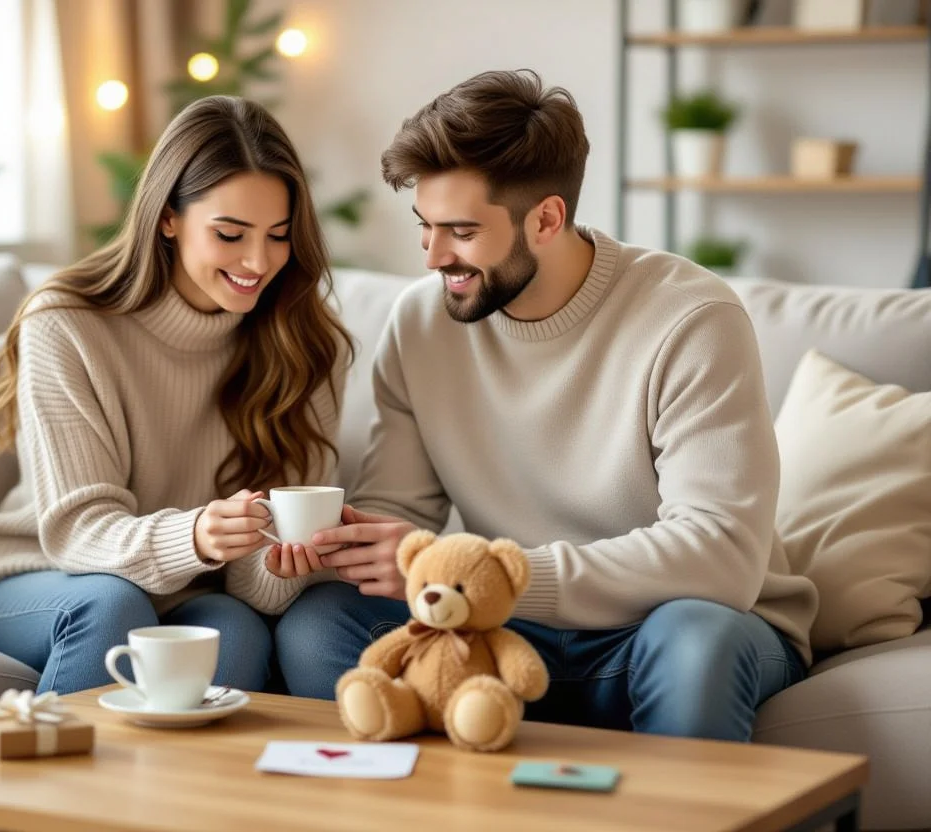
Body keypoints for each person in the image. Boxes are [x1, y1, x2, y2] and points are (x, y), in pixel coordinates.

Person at [274, 70, 818, 743]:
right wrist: (340, 548)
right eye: (425, 227)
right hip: (496, 633)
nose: (434, 256)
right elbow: (402, 520)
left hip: (666, 626)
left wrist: (499, 579)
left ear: (547, 219)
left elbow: (719, 560)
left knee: (695, 643)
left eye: (461, 231)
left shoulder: (690, 317)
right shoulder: (419, 325)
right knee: (319, 624)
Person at [0, 96, 352, 697]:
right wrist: (192, 537)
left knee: (238, 633)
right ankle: (59, 791)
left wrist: (274, 560)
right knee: (113, 606)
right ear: (168, 218)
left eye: (279, 236)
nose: (257, 261)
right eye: (230, 233)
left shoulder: (306, 344)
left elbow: (257, 588)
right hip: (41, 572)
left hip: (190, 589)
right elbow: (76, 530)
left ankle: (181, 795)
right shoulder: (66, 323)